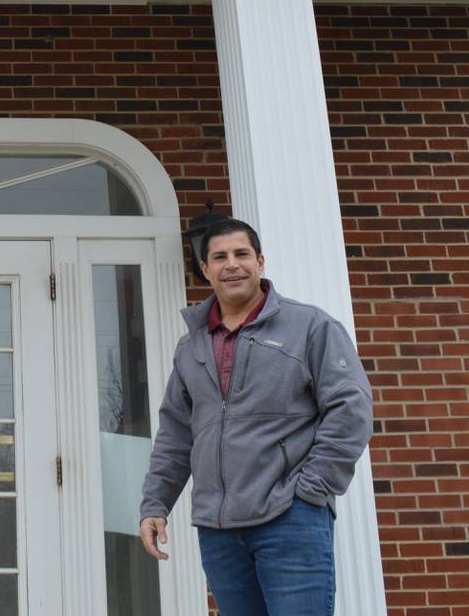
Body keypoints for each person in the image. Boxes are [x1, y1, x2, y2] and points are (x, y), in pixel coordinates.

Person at [138, 218, 372, 615]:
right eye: (220, 257)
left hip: (289, 518)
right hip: (218, 529)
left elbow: (351, 408)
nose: (232, 264)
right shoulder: (190, 346)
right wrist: (155, 503)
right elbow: (176, 434)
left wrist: (310, 490)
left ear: (260, 262)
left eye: (242, 254)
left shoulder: (310, 327)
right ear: (206, 270)